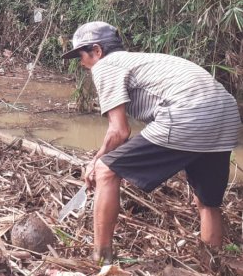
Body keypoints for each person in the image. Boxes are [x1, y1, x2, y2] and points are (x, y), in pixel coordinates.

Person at [62, 21, 242, 263]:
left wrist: (95, 161)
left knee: (105, 170)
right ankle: (213, 263)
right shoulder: (142, 60)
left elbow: (119, 131)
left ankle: (101, 257)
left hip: (188, 112)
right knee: (207, 201)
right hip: (226, 115)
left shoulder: (106, 66)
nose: (81, 63)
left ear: (97, 50)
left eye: (81, 56)